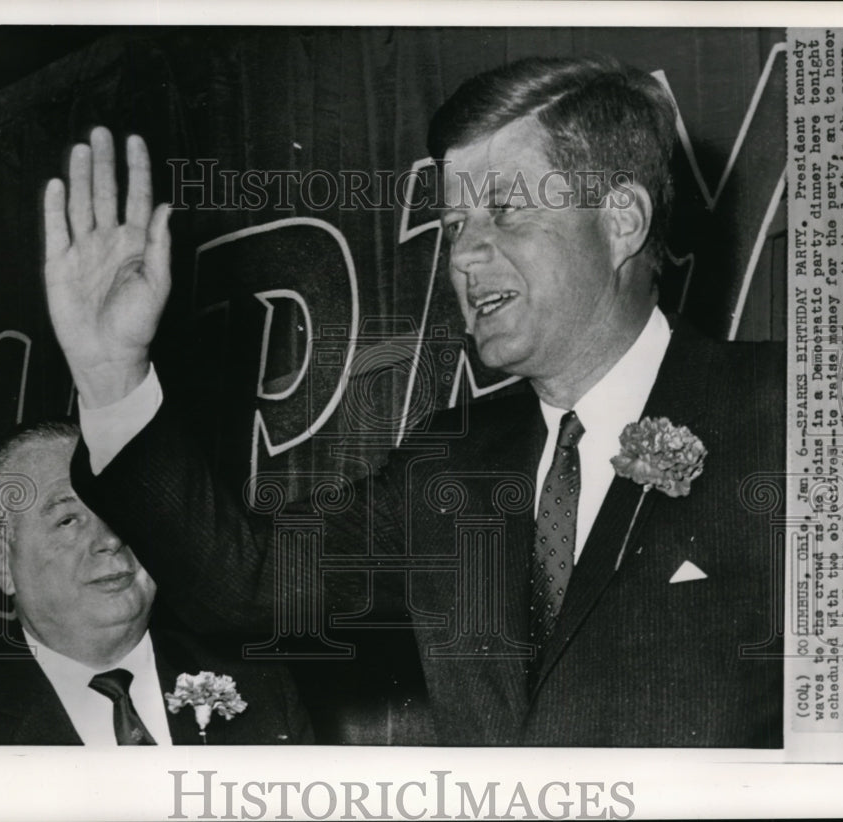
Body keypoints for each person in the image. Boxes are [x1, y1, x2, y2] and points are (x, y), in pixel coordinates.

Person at [43, 55, 784, 746]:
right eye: (456, 224)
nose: (462, 254)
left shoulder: (791, 415)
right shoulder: (454, 463)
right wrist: (112, 372)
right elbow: (245, 586)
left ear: (622, 219)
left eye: (506, 212)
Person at [0, 421, 312, 746]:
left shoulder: (261, 684)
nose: (110, 539)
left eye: (121, 511)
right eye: (67, 521)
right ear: (2, 562)